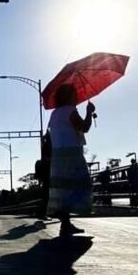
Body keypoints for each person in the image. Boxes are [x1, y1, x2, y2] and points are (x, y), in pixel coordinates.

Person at [46, 84, 95, 237]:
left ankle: (65, 223)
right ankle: (67, 215)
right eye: (74, 94)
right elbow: (84, 127)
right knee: (82, 184)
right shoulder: (70, 111)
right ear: (69, 96)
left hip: (58, 155)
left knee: (63, 188)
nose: (77, 97)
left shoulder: (54, 114)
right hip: (72, 153)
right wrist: (89, 112)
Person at [34, 132, 52, 220]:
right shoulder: (50, 145)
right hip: (49, 172)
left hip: (46, 173)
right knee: (47, 194)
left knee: (46, 194)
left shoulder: (45, 145)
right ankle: (43, 213)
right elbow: (47, 158)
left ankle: (42, 213)